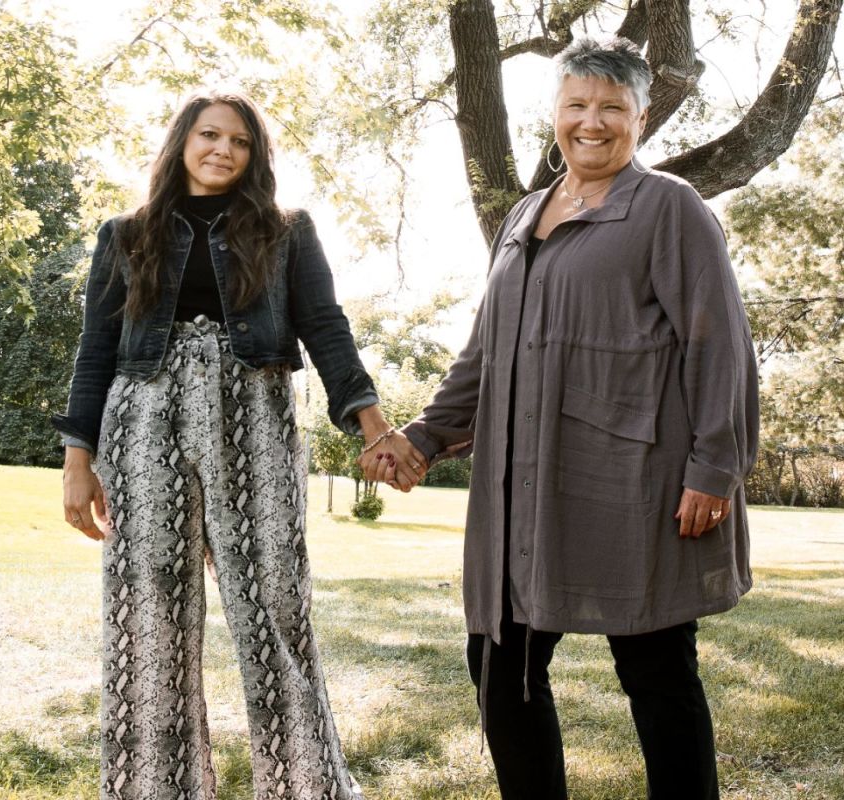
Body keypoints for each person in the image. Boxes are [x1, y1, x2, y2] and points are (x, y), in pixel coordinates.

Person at [399, 37, 759, 800]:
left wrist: (715, 467)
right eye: (577, 105)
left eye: (611, 108)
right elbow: (485, 350)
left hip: (635, 482)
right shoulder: (523, 215)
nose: (592, 122)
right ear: (555, 113)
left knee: (656, 671)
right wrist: (426, 436)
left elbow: (720, 344)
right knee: (500, 667)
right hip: (519, 490)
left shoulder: (669, 208)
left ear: (641, 118)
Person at [54, 90, 424, 799]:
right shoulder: (125, 235)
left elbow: (327, 328)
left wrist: (374, 427)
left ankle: (305, 786)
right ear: (182, 143)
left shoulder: (286, 232)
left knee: (275, 605)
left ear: (255, 156)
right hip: (143, 426)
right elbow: (96, 351)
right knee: (148, 616)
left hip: (254, 423)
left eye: (240, 141)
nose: (223, 149)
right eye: (209, 135)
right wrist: (78, 462)